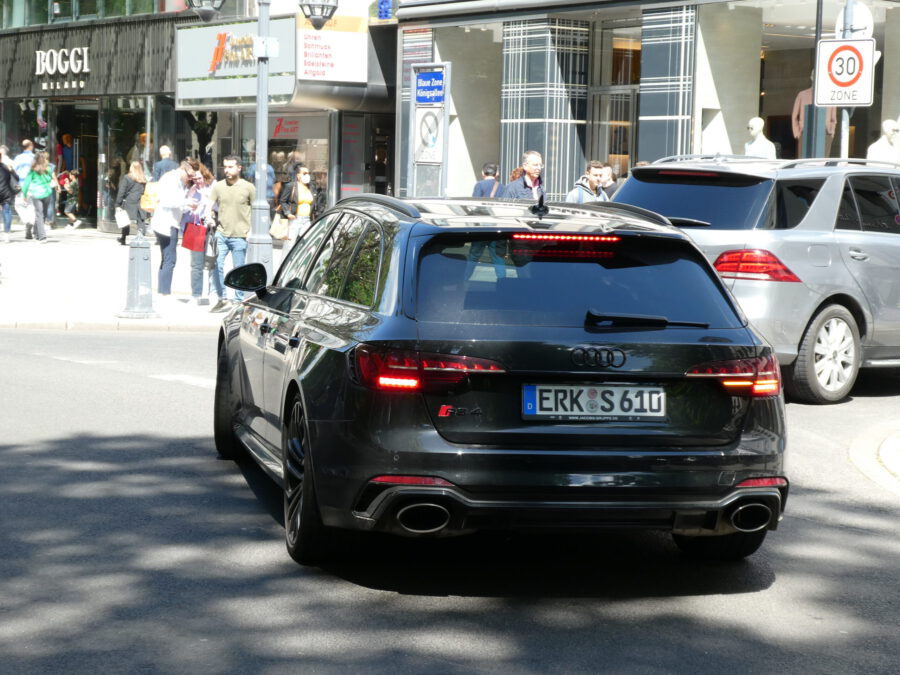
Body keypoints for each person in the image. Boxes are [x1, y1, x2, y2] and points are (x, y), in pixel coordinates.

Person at [207, 155, 255, 313]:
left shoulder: (248, 187)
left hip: (240, 236)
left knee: (238, 269)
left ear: (239, 168)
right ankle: (223, 299)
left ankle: (239, 301)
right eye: (225, 167)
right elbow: (209, 204)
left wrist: (252, 230)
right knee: (216, 265)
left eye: (230, 167)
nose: (226, 170)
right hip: (221, 233)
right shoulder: (218, 186)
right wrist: (209, 217)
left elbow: (256, 209)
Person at [150, 159, 193, 301]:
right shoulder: (172, 179)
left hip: (166, 222)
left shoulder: (175, 179)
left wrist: (186, 206)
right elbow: (167, 201)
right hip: (167, 223)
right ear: (183, 169)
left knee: (166, 258)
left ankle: (163, 289)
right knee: (170, 259)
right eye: (190, 175)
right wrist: (186, 202)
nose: (190, 179)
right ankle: (164, 292)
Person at [185, 159, 217, 306]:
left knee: (212, 262)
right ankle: (196, 294)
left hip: (211, 228)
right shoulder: (191, 190)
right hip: (195, 228)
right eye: (194, 179)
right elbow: (185, 210)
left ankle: (213, 293)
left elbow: (219, 206)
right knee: (196, 264)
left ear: (205, 175)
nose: (197, 181)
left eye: (199, 178)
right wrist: (189, 199)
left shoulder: (214, 187)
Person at [20, 151, 56, 243]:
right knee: (42, 214)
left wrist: (24, 195)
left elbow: (26, 184)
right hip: (47, 193)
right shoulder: (48, 169)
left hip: (36, 194)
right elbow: (49, 179)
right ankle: (39, 234)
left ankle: (40, 235)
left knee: (39, 214)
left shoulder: (32, 170)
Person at [278, 162, 315, 244]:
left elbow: (314, 203)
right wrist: (288, 213)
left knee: (307, 244)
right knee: (290, 245)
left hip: (307, 220)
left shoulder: (311, 187)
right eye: (304, 173)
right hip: (295, 220)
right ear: (298, 176)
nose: (307, 175)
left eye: (308, 173)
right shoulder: (291, 186)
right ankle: (287, 257)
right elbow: (283, 201)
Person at [115, 161, 148, 245]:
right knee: (141, 219)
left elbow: (122, 191)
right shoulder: (143, 179)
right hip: (140, 200)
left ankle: (123, 238)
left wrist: (118, 204)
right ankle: (141, 237)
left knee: (125, 219)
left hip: (130, 201)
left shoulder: (127, 177)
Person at [13, 140, 36, 238]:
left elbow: (13, 171)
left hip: (21, 185)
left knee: (19, 205)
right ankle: (30, 222)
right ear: (30, 146)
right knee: (31, 205)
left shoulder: (18, 158)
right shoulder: (35, 158)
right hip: (32, 185)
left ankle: (27, 221)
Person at [0, 145, 16, 243]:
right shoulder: (6, 168)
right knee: (7, 212)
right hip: (6, 192)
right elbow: (16, 178)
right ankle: (7, 234)